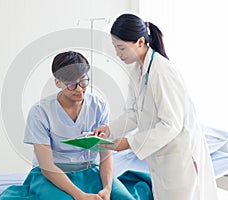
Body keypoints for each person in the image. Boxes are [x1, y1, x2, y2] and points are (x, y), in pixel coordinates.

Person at [93, 13, 218, 200]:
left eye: (121, 48)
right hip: (163, 159)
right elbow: (134, 113)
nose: (118, 54)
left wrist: (128, 143)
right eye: (115, 47)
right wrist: (109, 129)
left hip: (180, 158)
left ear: (140, 42)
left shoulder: (162, 72)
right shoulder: (138, 69)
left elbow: (171, 124)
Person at [0, 51, 135, 200]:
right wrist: (80, 196)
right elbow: (47, 166)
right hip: (52, 175)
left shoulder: (98, 106)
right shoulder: (40, 112)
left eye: (83, 81)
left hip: (90, 171)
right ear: (57, 82)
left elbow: (105, 155)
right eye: (71, 84)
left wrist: (107, 188)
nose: (79, 89)